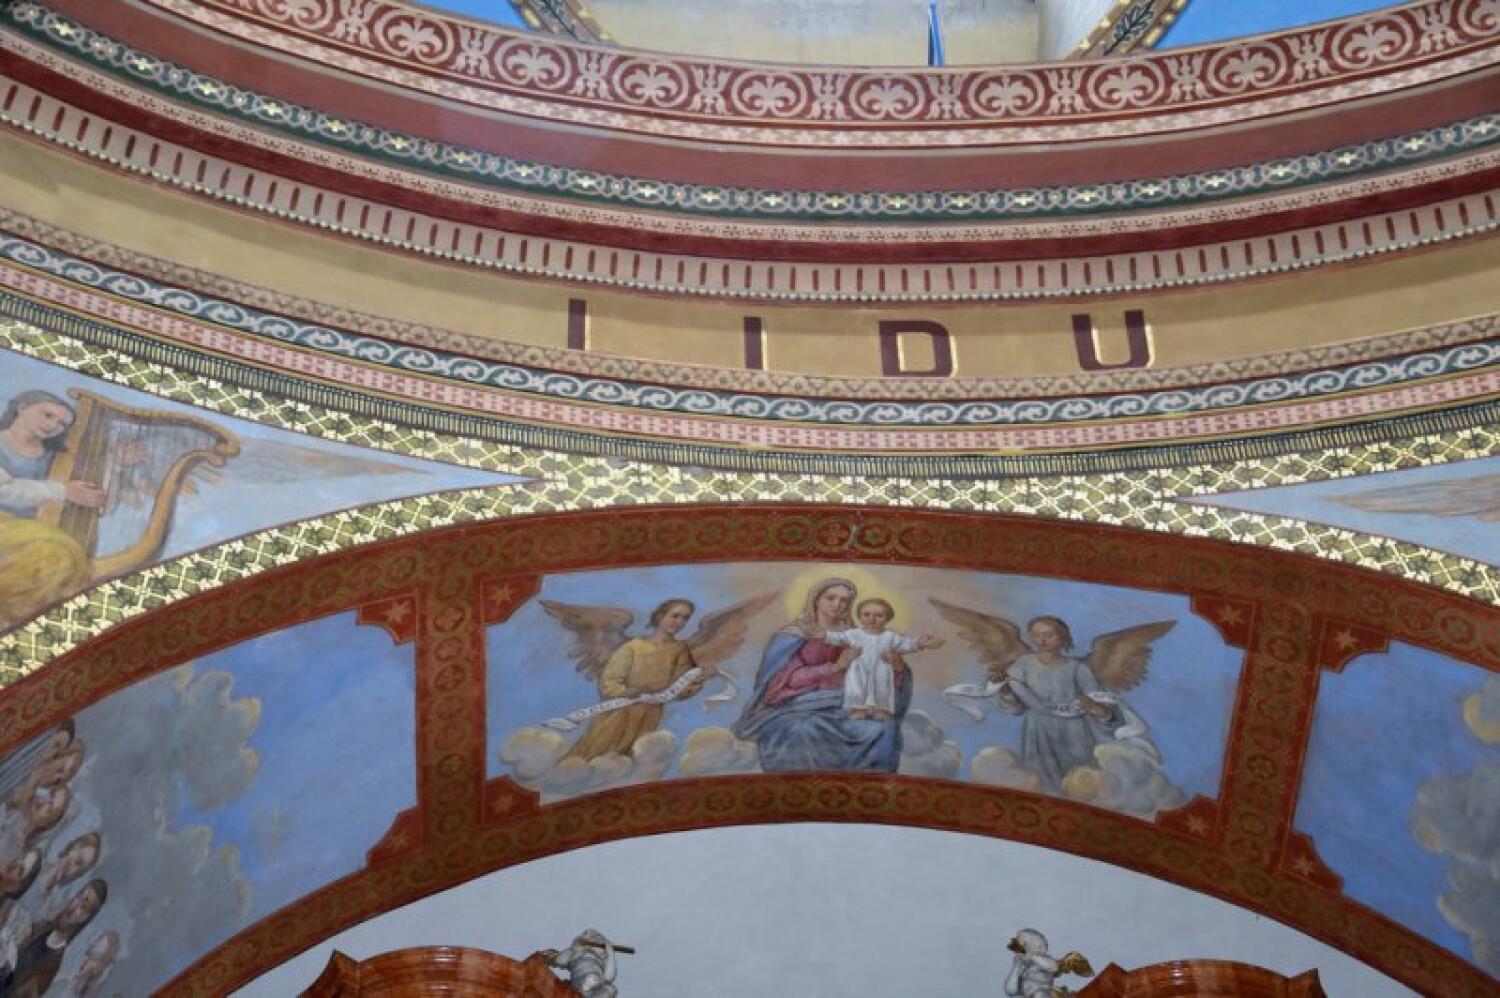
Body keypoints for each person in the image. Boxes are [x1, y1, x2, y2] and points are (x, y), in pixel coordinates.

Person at [734, 578, 911, 773]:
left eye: (844, 600)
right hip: (796, 707)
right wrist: (835, 667)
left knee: (882, 728)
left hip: (847, 705)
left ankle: (871, 786)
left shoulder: (857, 636)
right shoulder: (794, 635)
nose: (838, 604)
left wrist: (897, 666)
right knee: (801, 728)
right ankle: (801, 784)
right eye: (831, 598)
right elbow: (785, 681)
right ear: (816, 600)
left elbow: (880, 674)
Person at [0, 391, 98, 629]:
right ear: (22, 408)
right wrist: (63, 491)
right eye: (48, 415)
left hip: (28, 528)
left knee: (63, 556)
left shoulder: (53, 457)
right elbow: (5, 490)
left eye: (62, 424)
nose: (53, 425)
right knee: (54, 552)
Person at [562, 600, 704, 762]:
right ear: (660, 616)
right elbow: (610, 680)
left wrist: (695, 683)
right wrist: (625, 692)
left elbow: (681, 685)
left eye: (685, 618)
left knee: (632, 758)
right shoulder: (633, 647)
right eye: (675, 616)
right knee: (595, 753)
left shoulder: (679, 649)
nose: (679, 622)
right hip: (618, 713)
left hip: (650, 715)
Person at [1003, 617, 1121, 792]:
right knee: (1040, 783)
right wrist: (1006, 692)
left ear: (1063, 636)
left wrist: (1097, 709)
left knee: (1077, 782)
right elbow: (1016, 709)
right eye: (1036, 635)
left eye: (1048, 635)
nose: (1042, 641)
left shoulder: (1077, 669)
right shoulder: (1023, 665)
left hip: (1072, 733)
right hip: (1038, 733)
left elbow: (1100, 703)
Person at [825, 598, 941, 720]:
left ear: (887, 618)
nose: (872, 619)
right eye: (866, 614)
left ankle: (881, 709)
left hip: (881, 667)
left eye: (879, 615)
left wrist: (920, 643)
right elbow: (837, 637)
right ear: (859, 616)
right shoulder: (854, 634)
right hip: (859, 668)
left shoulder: (890, 636)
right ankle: (858, 709)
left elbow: (906, 644)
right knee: (856, 688)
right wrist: (825, 635)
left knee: (882, 689)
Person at [0, 878, 106, 997]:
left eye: (84, 906)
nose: (76, 905)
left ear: (85, 917)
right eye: (80, 896)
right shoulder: (42, 926)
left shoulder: (53, 961)